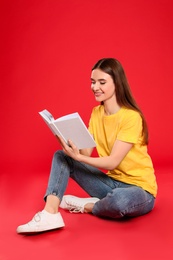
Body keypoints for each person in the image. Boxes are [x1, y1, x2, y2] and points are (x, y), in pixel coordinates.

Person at [17, 58, 157, 234]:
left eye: (102, 82)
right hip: (110, 184)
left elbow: (113, 162)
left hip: (139, 190)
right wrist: (69, 144)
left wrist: (79, 157)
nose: (95, 87)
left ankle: (90, 205)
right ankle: (50, 213)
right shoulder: (96, 113)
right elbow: (86, 152)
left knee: (119, 202)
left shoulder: (131, 117)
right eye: (92, 82)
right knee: (61, 156)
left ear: (117, 83)